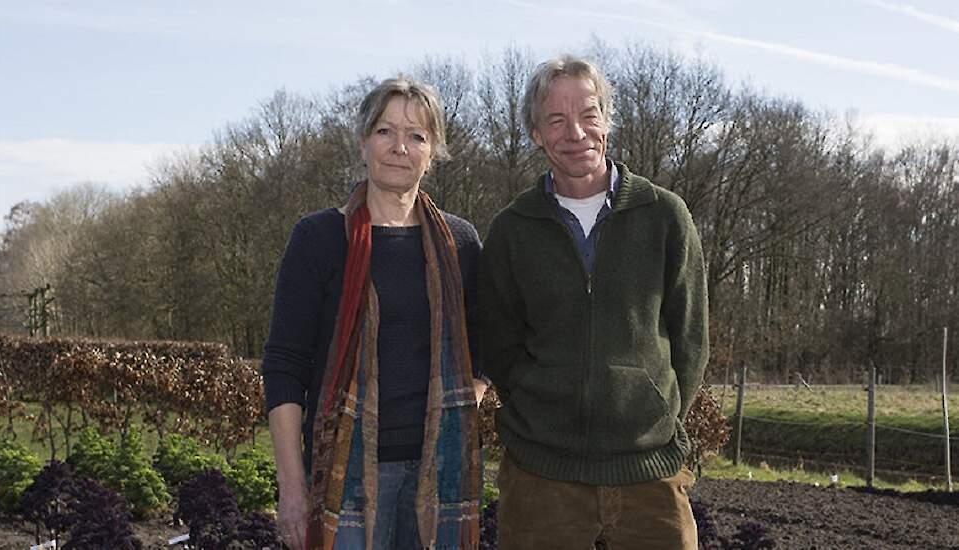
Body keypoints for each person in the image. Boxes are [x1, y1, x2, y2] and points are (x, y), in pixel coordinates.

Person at [479, 55, 709, 549]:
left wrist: (656, 411)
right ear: (536, 134)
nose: (576, 133)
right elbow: (497, 340)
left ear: (606, 119)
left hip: (650, 473)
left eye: (588, 115)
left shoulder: (664, 216)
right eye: (556, 120)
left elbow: (690, 338)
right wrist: (537, 397)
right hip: (541, 475)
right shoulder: (512, 230)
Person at [261, 76, 488, 550]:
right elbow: (284, 367)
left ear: (433, 152)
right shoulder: (320, 239)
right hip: (346, 479)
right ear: (363, 141)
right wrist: (292, 486)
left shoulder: (461, 243)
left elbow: (486, 352)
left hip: (438, 476)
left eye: (416, 135)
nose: (399, 147)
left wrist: (454, 418)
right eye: (385, 131)